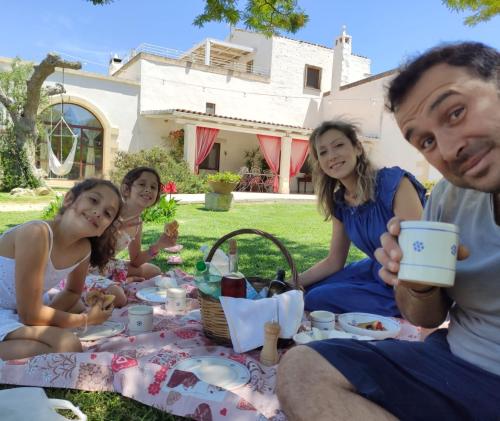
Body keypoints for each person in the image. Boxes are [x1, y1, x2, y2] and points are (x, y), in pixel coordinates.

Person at [277, 42, 500, 420]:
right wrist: (417, 284)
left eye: (456, 112)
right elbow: (426, 314)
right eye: (426, 141)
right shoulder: (448, 196)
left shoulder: (392, 183)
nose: (448, 149)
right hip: (450, 358)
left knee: (325, 296)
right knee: (301, 367)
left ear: (357, 148)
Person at [300, 120, 426, 317]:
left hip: (405, 281)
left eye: (338, 145)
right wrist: (291, 282)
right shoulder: (340, 203)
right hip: (373, 269)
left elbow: (420, 251)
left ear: (358, 148)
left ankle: (395, 310)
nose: (332, 156)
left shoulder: (393, 182)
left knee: (315, 298)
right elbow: (334, 261)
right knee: (306, 289)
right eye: (323, 152)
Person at [0, 178, 122, 360]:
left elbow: (72, 292)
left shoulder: (83, 249)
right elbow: (29, 314)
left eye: (107, 213)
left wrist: (45, 317)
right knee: (67, 344)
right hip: (12, 309)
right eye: (93, 200)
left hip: (22, 307)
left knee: (77, 305)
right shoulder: (37, 233)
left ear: (103, 230)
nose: (98, 212)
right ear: (69, 199)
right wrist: (87, 320)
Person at [87, 167, 178, 307]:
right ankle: (115, 283)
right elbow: (88, 246)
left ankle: (119, 280)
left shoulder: (137, 223)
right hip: (84, 268)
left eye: (153, 187)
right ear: (126, 189)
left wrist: (159, 245)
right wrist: (113, 229)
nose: (148, 190)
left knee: (155, 271)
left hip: (106, 265)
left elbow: (136, 261)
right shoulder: (111, 210)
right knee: (118, 298)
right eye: (142, 184)